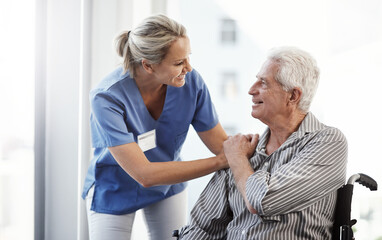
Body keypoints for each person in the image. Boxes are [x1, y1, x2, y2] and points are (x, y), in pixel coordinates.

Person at [81, 14, 228, 240]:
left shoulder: (191, 83)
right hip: (114, 188)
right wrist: (219, 162)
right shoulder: (107, 97)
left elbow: (221, 146)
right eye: (179, 63)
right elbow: (145, 175)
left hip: (167, 186)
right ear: (148, 65)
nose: (188, 68)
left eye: (188, 58)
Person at [178, 46, 348, 239]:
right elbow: (202, 228)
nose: (251, 90)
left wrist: (238, 160)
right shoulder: (243, 150)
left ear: (293, 96)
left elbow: (265, 200)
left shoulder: (327, 142)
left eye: (264, 83)